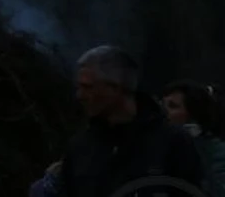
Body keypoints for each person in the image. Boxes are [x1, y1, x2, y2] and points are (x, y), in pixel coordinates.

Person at [58, 46, 204, 197]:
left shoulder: (173, 143)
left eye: (88, 87)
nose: (80, 95)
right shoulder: (79, 148)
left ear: (115, 87)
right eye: (79, 87)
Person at [164, 81, 225, 196]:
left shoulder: (215, 152)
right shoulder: (159, 146)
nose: (164, 112)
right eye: (163, 106)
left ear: (193, 113)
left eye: (173, 106)